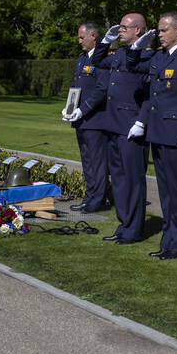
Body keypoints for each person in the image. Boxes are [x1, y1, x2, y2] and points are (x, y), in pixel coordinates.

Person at [126, 12, 177, 259]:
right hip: (158, 130)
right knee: (165, 191)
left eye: (163, 30)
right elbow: (133, 65)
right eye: (158, 30)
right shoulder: (159, 56)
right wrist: (136, 47)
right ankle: (168, 240)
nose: (159, 34)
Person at [89, 13, 153, 244]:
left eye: (124, 28)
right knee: (118, 179)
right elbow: (96, 61)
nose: (120, 31)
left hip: (131, 126)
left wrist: (141, 121)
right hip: (112, 124)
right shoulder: (120, 53)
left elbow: (149, 94)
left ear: (138, 30)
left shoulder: (147, 56)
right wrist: (105, 41)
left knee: (133, 180)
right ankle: (124, 223)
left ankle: (134, 229)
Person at [64, 22, 110, 213]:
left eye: (82, 37)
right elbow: (77, 89)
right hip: (81, 119)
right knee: (87, 161)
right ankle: (89, 197)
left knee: (97, 162)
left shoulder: (102, 59)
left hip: (95, 119)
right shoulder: (82, 59)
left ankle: (98, 200)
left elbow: (101, 89)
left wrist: (83, 109)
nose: (79, 41)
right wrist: (69, 108)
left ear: (93, 36)